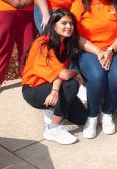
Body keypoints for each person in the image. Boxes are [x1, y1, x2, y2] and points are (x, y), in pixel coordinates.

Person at [71, 0, 117, 139]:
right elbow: (76, 36)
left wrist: (110, 50)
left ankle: (108, 112)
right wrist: (98, 52)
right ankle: (92, 116)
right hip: (88, 49)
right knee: (97, 76)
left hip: (115, 48)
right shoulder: (79, 4)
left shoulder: (116, 1)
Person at [21, 8, 87, 145]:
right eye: (63, 23)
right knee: (72, 84)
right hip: (33, 89)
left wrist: (55, 90)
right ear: (53, 24)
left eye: (71, 23)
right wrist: (75, 73)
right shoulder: (43, 43)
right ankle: (53, 128)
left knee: (81, 118)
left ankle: (51, 109)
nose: (68, 26)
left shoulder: (64, 43)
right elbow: (63, 74)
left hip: (51, 84)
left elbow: (57, 72)